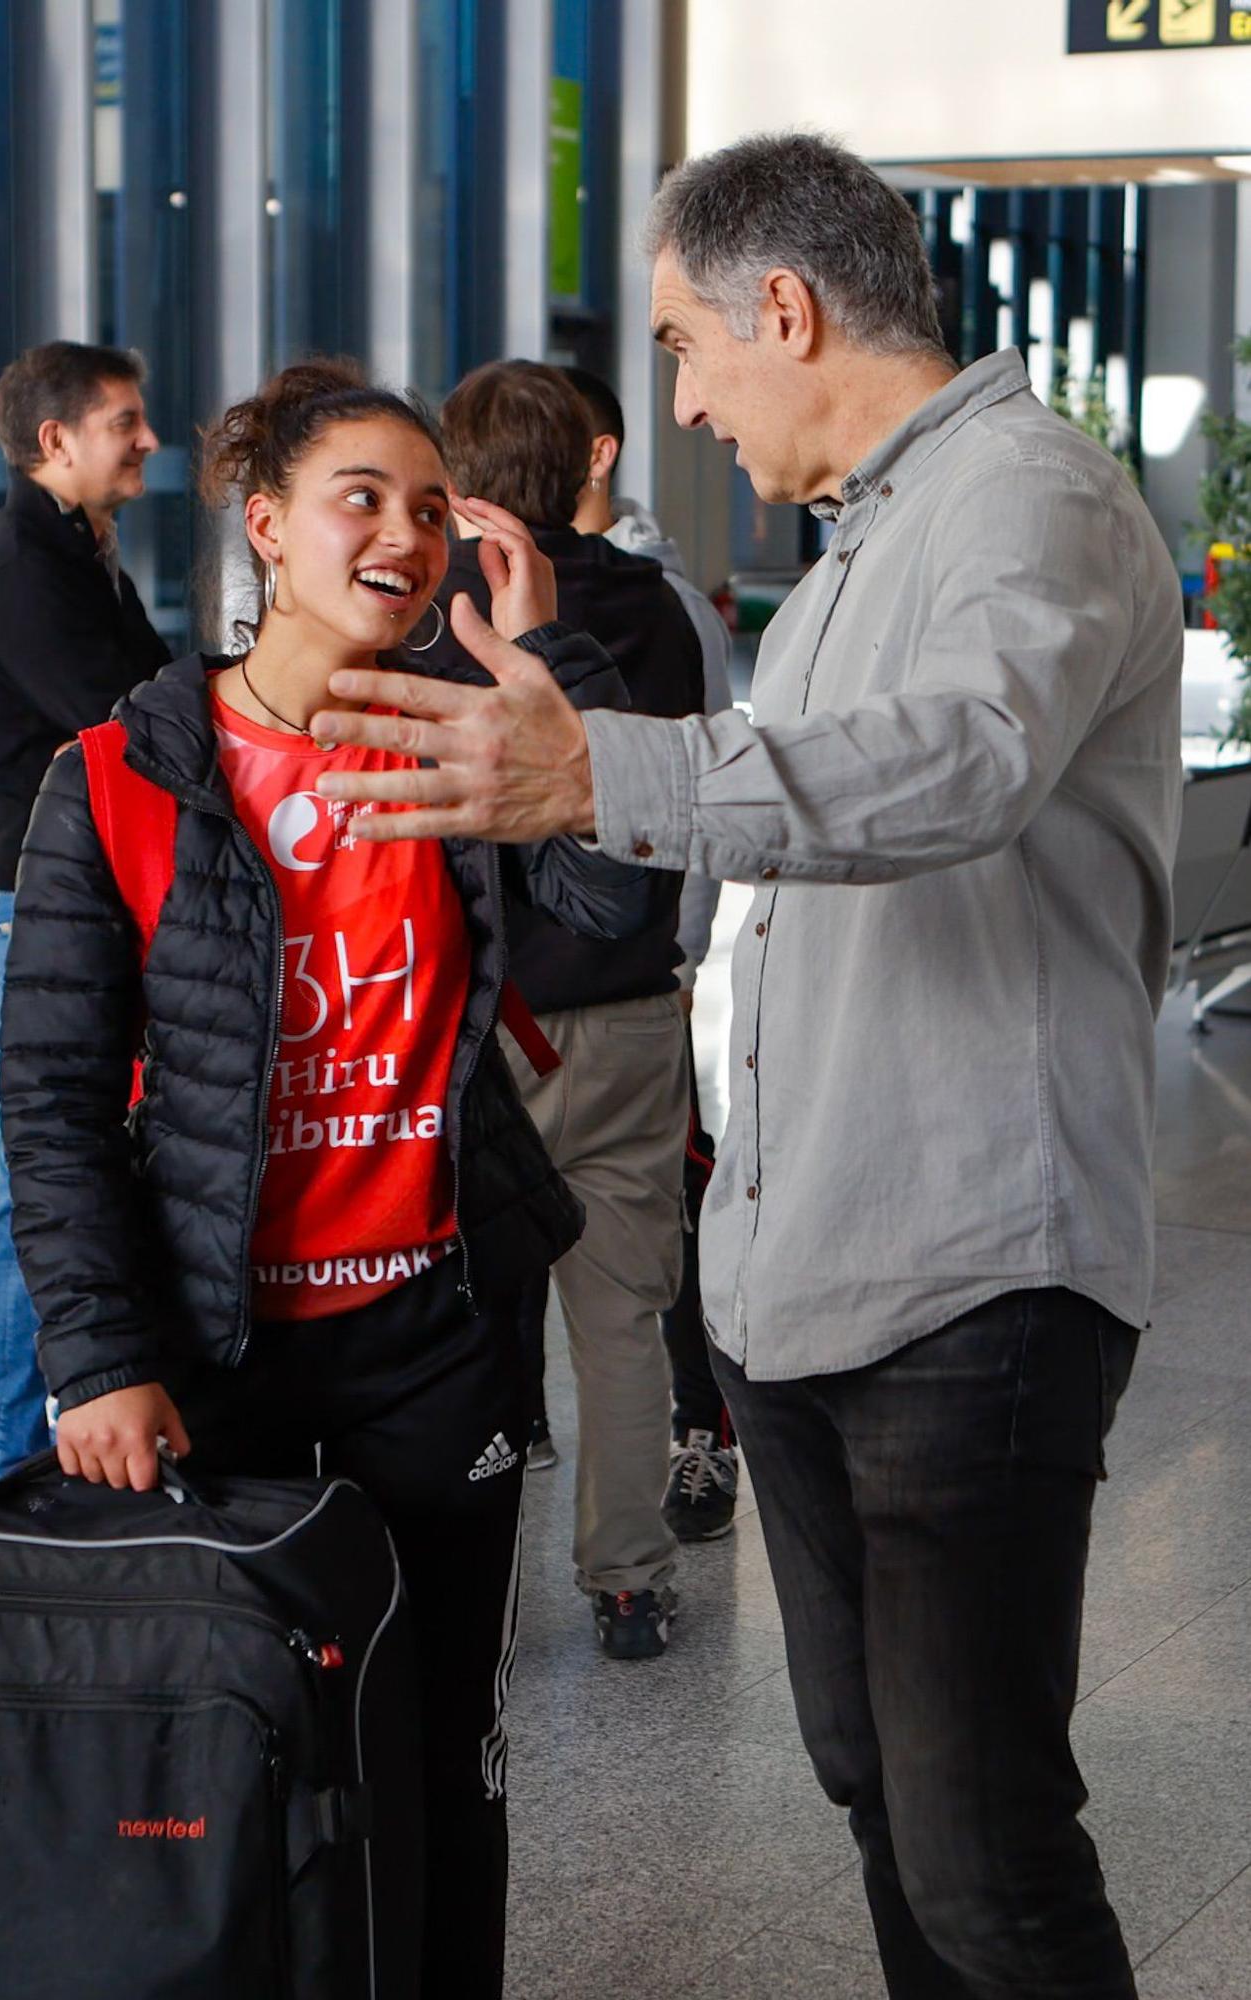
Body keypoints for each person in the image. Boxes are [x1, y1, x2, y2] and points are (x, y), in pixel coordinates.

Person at [301, 132, 1184, 2000]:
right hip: (819, 1284)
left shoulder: (1023, 495)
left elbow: (956, 762)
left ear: (781, 308)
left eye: (688, 347)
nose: (681, 400)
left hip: (970, 1279)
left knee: (981, 1848)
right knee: (879, 1794)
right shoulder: (870, 530)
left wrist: (599, 775)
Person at [0, 359, 654, 1997]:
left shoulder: (454, 749)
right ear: (267, 524)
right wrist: (96, 1356)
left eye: (432, 507)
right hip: (216, 1359)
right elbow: (59, 1096)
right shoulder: (122, 778)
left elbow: (615, 905)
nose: (406, 532)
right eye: (361, 495)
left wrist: (539, 657)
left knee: (447, 1757)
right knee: (221, 1766)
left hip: (432, 1335)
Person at [429, 358, 704, 1658]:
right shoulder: (659, 612)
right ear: (585, 461)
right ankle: (630, 1580)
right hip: (634, 1011)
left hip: (489, 1023)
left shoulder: (436, 620)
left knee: (478, 1312)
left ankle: (472, 1577)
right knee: (624, 1314)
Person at [0, 339, 168, 1478]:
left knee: (63, 1159)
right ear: (55, 441)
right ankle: (9, 1456)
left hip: (64, 902)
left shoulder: (79, 552)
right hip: (32, 910)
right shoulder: (23, 575)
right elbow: (129, 718)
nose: (146, 440)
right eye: (126, 421)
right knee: (42, 1171)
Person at [565, 362, 740, 1542]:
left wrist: (678, 957)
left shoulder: (662, 602)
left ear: (595, 454)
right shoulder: (464, 592)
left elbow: (706, 788)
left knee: (656, 1225)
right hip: (519, 997)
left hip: (637, 978)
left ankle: (703, 1429)